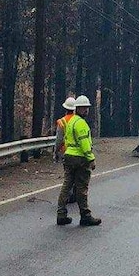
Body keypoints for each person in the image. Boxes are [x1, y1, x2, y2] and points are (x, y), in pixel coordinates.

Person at [56, 95, 102, 227]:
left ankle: (61, 214)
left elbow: (64, 139)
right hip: (80, 159)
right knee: (82, 188)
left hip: (69, 157)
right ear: (79, 108)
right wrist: (91, 159)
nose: (87, 110)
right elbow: (85, 144)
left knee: (67, 186)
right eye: (85, 108)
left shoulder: (71, 122)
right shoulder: (81, 123)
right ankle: (85, 216)